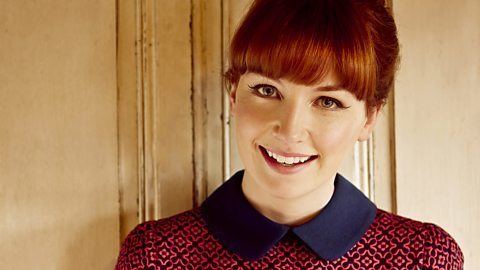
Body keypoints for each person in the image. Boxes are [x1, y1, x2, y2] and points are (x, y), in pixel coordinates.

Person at [115, 0, 464, 269]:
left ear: (369, 118)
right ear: (234, 95)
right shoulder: (154, 257)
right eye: (267, 91)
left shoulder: (425, 259)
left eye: (327, 101)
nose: (291, 128)